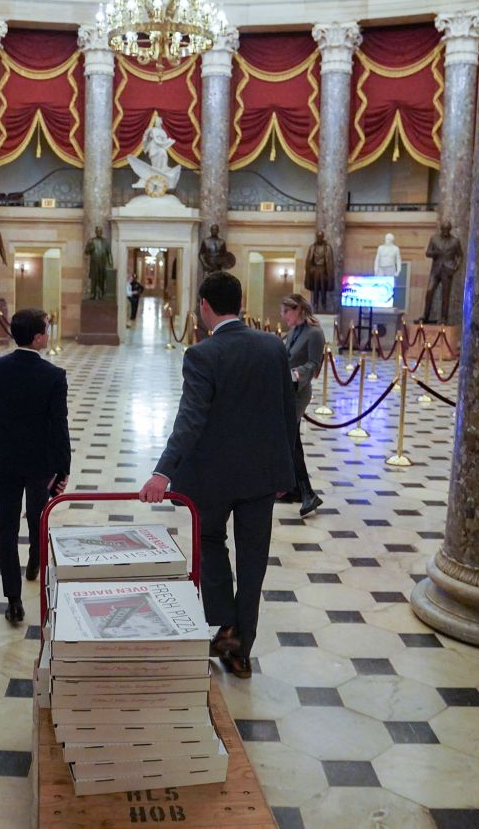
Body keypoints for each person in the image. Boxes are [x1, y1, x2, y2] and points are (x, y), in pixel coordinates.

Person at [139, 272, 297, 678]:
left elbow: (190, 420)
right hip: (261, 477)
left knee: (210, 541)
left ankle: (225, 624)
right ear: (240, 302)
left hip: (212, 478)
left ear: (205, 306)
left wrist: (162, 472)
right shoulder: (272, 346)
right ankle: (241, 650)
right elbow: (287, 414)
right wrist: (288, 472)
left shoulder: (202, 354)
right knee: (253, 560)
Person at [0, 309, 71, 623]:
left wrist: (4, 437)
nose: (48, 333)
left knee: (5, 525)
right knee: (37, 513)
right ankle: (34, 559)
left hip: (2, 458)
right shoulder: (53, 376)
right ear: (37, 337)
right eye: (46, 329)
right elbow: (59, 425)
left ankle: (13, 599)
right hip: (39, 460)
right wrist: (63, 468)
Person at [281, 294, 325, 518]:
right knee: (292, 439)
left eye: (286, 312)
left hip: (299, 392)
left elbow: (314, 363)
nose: (283, 316)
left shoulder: (314, 333)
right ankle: (298, 490)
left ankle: (306, 492)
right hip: (285, 390)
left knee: (292, 439)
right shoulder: (293, 331)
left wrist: (298, 374)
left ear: (297, 309)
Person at [421, 222, 463, 324]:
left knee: (445, 295)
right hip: (436, 270)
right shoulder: (434, 239)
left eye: (447, 230)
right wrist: (434, 253)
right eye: (444, 230)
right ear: (441, 229)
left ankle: (444, 318)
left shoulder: (455, 241)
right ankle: (425, 316)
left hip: (448, 269)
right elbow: (428, 253)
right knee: (429, 291)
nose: (445, 232)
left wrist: (456, 267)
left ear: (450, 230)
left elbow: (460, 255)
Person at [304, 230, 335, 313]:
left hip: (324, 271)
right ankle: (315, 305)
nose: (319, 238)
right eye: (318, 237)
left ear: (323, 237)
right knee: (315, 289)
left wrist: (329, 275)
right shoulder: (312, 247)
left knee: (323, 288)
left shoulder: (327, 247)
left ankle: (324, 305)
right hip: (315, 270)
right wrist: (311, 269)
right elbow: (308, 261)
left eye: (321, 237)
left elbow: (330, 262)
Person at [85, 225, 113, 299]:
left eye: (100, 231)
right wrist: (90, 247)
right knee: (94, 279)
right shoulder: (92, 241)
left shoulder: (105, 242)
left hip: (103, 263)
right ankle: (93, 293)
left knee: (102, 279)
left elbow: (109, 253)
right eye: (98, 231)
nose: (99, 232)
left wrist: (110, 263)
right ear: (96, 232)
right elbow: (86, 252)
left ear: (102, 232)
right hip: (94, 263)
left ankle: (102, 294)